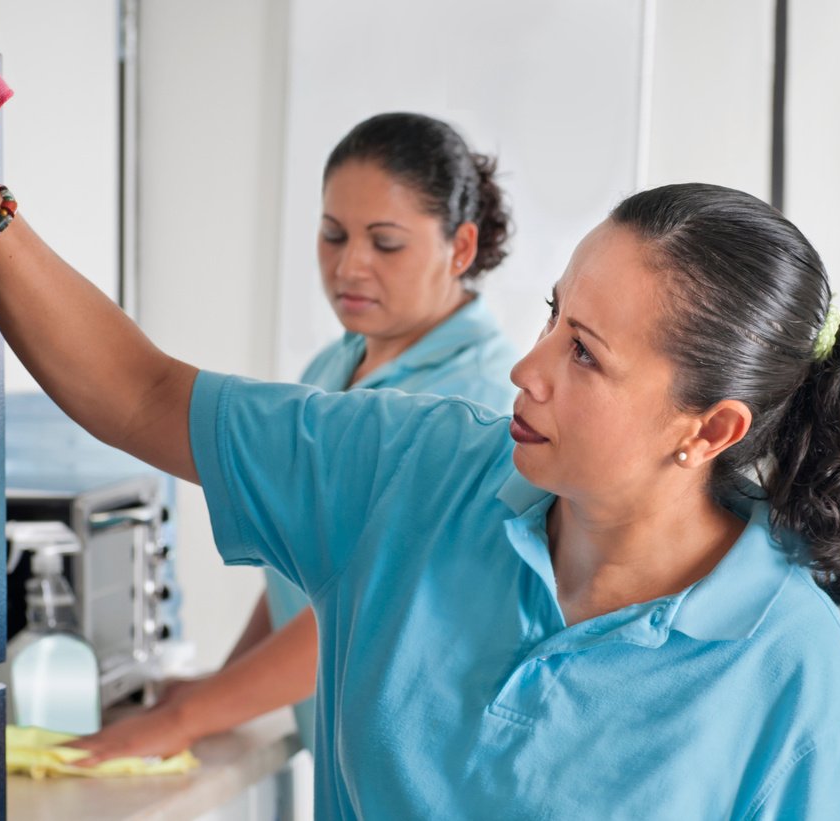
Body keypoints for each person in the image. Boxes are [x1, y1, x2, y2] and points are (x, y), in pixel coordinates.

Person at [0, 8, 840, 818]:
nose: (527, 371)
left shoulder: (799, 685)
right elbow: (139, 390)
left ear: (712, 428)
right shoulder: (412, 470)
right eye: (554, 318)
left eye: (584, 356)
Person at [79, 111, 519, 762]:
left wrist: (191, 718)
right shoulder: (336, 365)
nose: (350, 266)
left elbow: (369, 608)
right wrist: (215, 688)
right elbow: (309, 561)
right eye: (333, 235)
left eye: (385, 243)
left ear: (460, 248)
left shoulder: (477, 398)